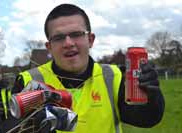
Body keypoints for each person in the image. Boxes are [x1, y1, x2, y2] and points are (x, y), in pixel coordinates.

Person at [13, 3, 165, 133]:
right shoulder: (28, 81)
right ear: (49, 47)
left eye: (76, 34)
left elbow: (146, 119)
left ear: (90, 40)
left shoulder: (114, 76)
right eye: (58, 38)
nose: (68, 43)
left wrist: (152, 96)